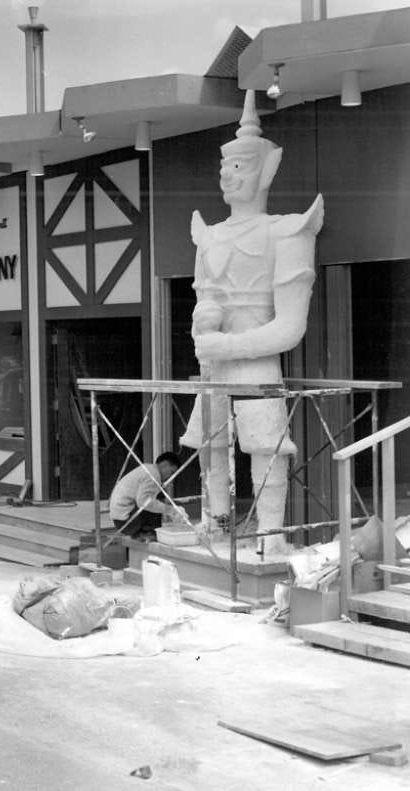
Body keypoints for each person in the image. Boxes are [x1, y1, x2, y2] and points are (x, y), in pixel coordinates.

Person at [180, 90, 323, 556]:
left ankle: (270, 534)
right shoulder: (211, 236)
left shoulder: (285, 230)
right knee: (211, 448)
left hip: (255, 363)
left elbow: (289, 328)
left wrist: (224, 346)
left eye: (239, 166)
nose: (228, 175)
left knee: (267, 447)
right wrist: (205, 321)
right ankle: (216, 524)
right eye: (225, 168)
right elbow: (204, 303)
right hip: (214, 365)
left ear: (265, 169)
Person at [108, 452, 182, 539]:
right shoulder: (154, 475)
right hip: (126, 521)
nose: (171, 477)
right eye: (172, 472)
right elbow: (144, 502)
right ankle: (147, 533)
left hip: (120, 519)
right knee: (155, 499)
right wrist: (171, 510)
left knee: (156, 497)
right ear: (164, 464)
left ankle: (143, 532)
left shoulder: (148, 469)